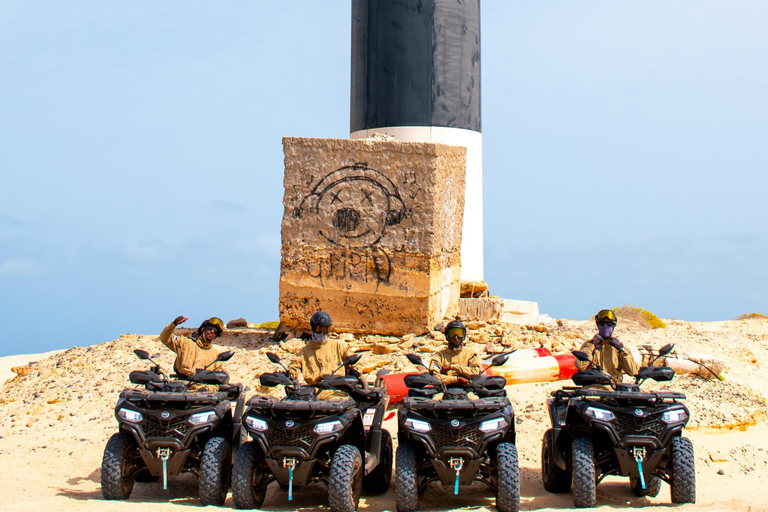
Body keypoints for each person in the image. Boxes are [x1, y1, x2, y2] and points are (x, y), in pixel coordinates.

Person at [288, 311, 354, 387]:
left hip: (338, 391)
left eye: (325, 330)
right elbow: (294, 366)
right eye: (319, 329)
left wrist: (355, 371)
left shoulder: (339, 346)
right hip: (315, 392)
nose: (322, 333)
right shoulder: (305, 352)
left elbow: (353, 361)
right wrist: (290, 373)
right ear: (313, 328)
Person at [158, 316, 226, 389]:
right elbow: (164, 338)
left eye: (215, 331)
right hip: (180, 386)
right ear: (203, 329)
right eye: (209, 328)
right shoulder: (185, 343)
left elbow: (217, 383)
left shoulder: (215, 355)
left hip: (200, 389)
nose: (212, 332)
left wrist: (207, 389)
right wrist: (173, 324)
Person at [577, 309, 639, 382]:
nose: (605, 327)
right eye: (602, 324)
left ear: (613, 327)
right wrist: (592, 345)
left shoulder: (619, 348)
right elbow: (580, 366)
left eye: (609, 325)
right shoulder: (588, 345)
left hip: (613, 388)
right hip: (593, 386)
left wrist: (622, 350)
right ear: (598, 325)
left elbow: (632, 371)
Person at [429, 319, 481, 387]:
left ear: (463, 335)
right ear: (447, 335)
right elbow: (434, 376)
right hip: (444, 389)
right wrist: (456, 379)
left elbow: (475, 373)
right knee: (436, 398)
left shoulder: (471, 355)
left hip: (467, 389)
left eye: (459, 333)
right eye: (452, 333)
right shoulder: (439, 356)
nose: (456, 337)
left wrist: (453, 367)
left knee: (474, 398)